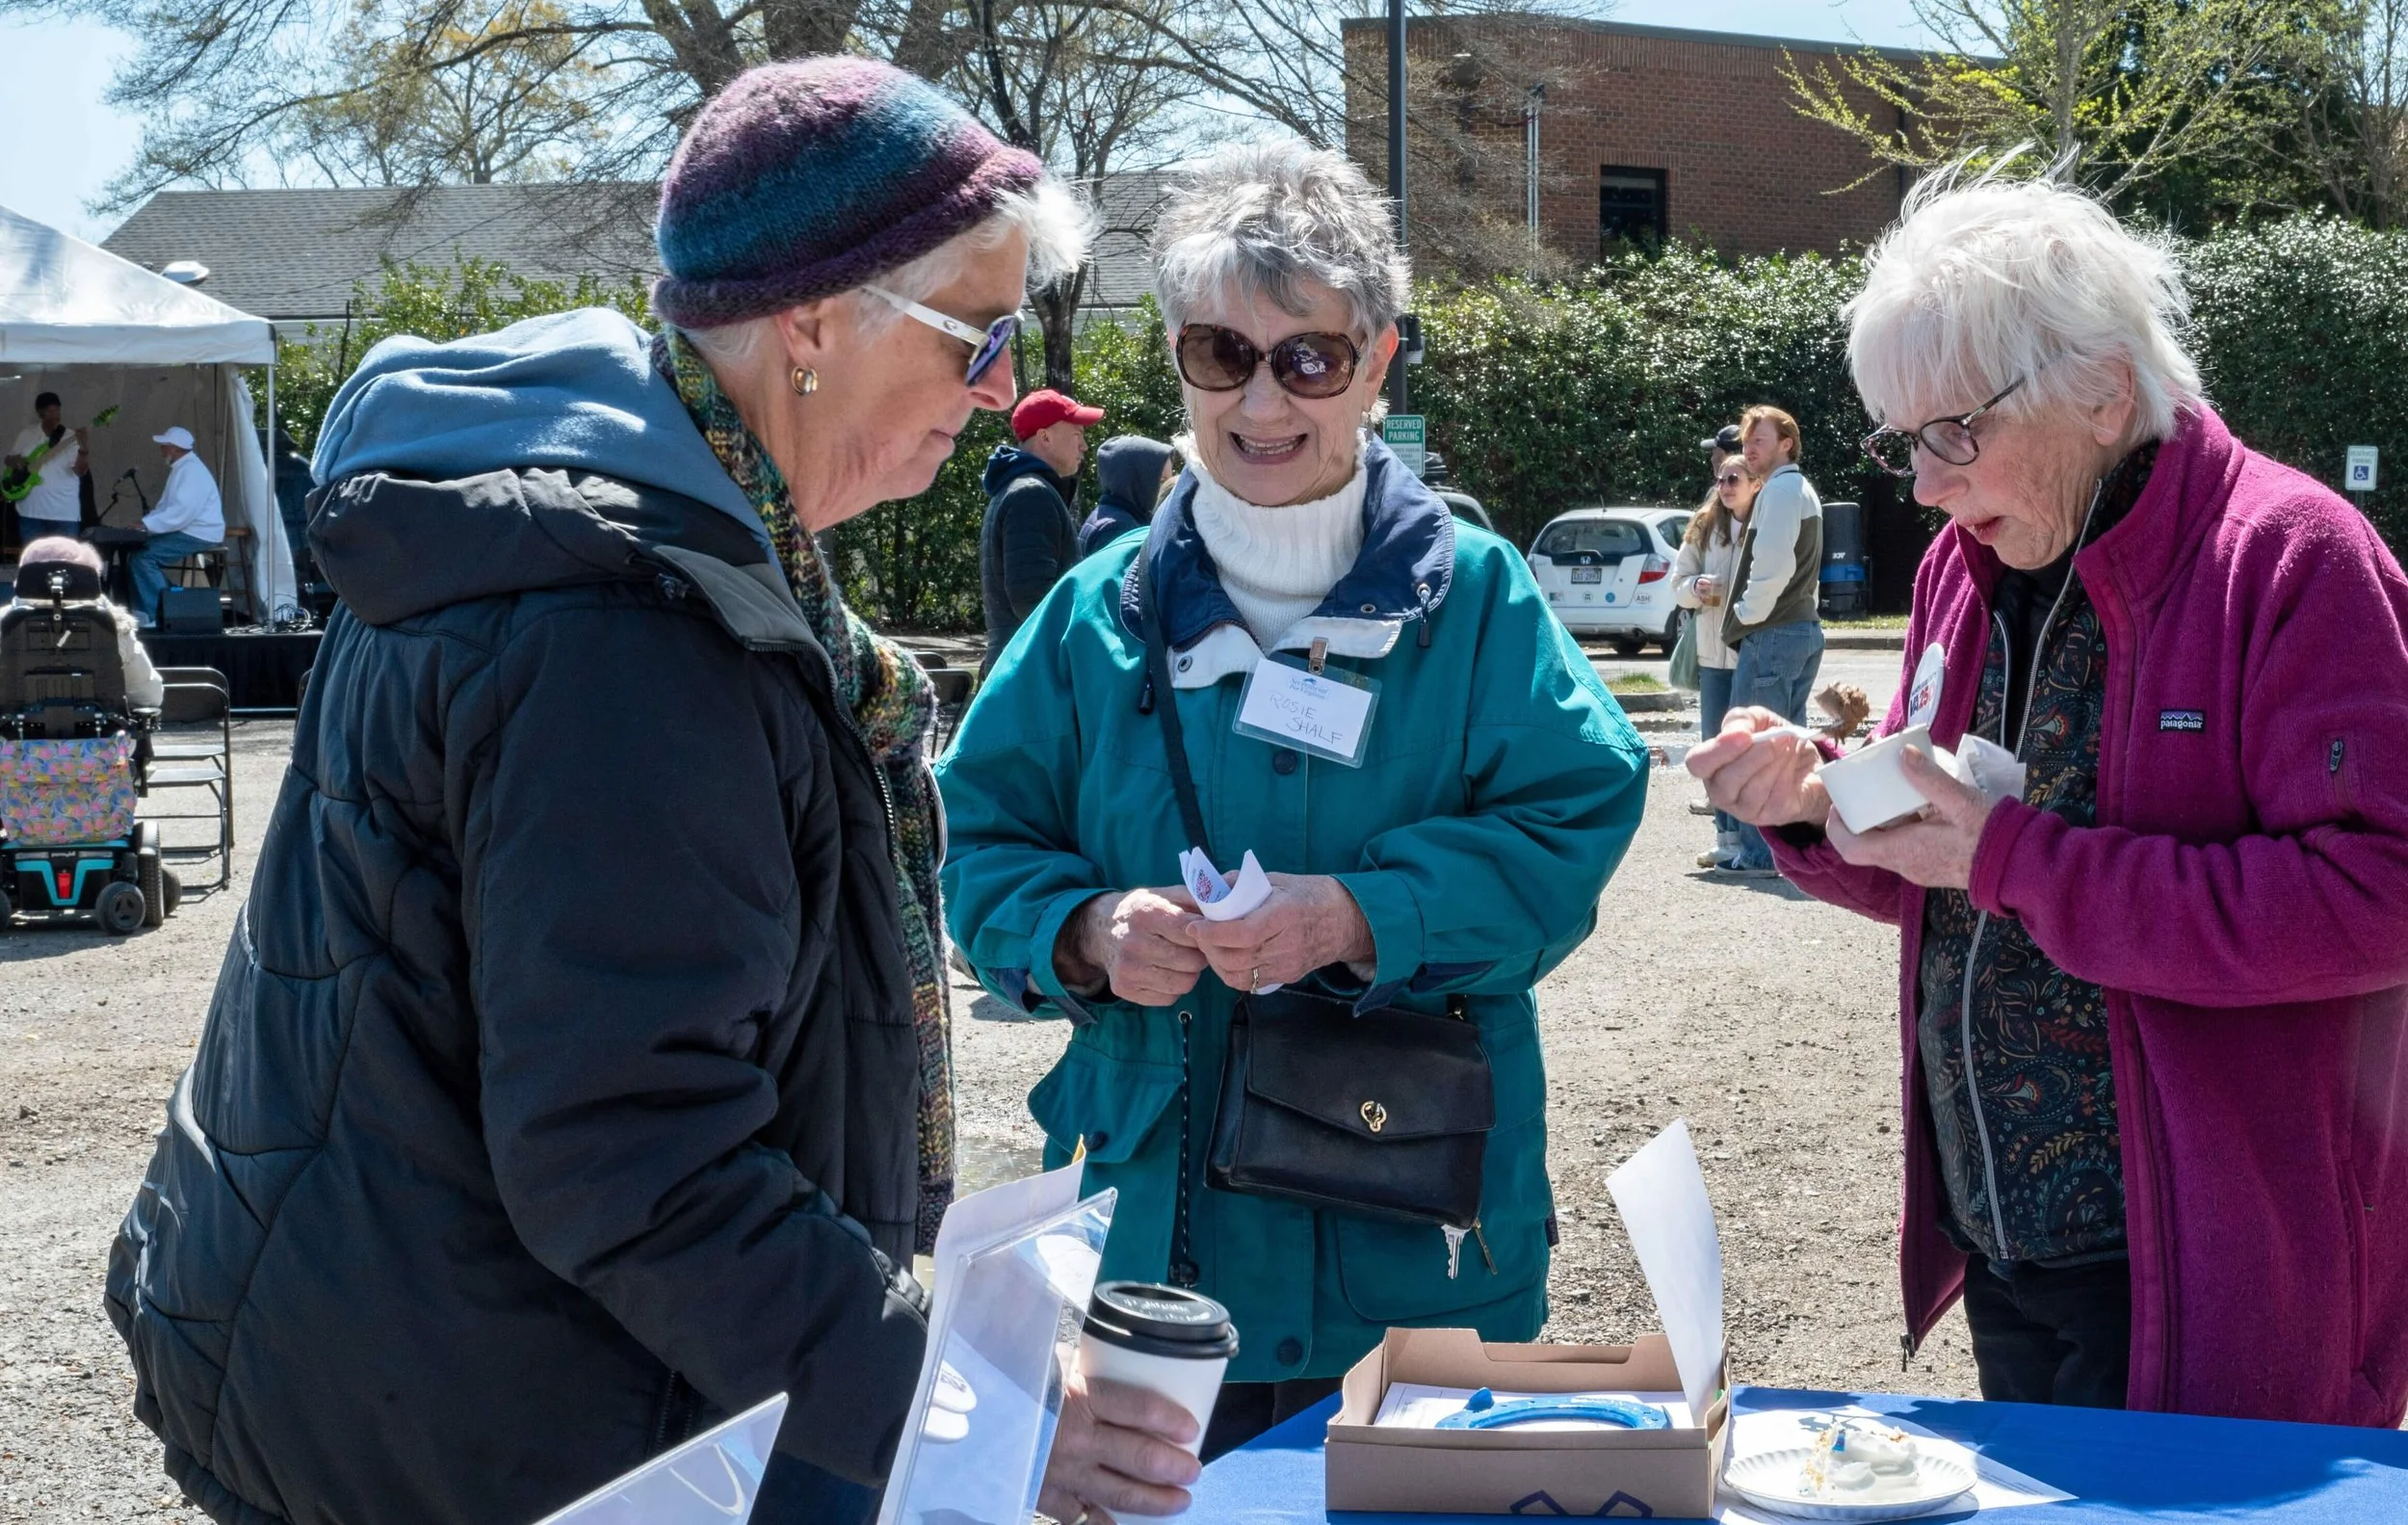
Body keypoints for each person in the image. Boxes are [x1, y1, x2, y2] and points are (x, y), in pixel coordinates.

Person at [106, 58, 1200, 1525]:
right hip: (479, 1421)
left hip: (375, 1336)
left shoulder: (561, 505)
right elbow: (632, 1154)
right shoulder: (628, 634)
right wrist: (968, 1395)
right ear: (811, 323)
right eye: (976, 337)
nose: (1003, 387)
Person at [938, 141, 1649, 1465]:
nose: (1263, 399)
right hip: (1155, 1253)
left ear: (1378, 362)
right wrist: (1086, 930)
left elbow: (1577, 817)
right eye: (1222, 353)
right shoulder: (1091, 620)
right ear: (1177, 358)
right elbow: (974, 845)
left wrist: (1361, 915)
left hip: (1420, 1256)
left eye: (1309, 357)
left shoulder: (1482, 603)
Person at [1688, 170, 2408, 1428]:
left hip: (2220, 1272)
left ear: (2102, 389)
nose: (1921, 483)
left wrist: (2017, 857)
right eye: (1902, 439)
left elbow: (2380, 893)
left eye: (1951, 433)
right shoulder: (1966, 571)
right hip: (2009, 1245)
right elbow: (1948, 856)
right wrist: (1814, 803)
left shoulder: (2296, 559)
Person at [1714, 404, 1822, 875]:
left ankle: (1761, 853)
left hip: (1773, 631)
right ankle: (1788, 852)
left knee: (1758, 748)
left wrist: (1744, 614)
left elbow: (1771, 567)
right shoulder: (1797, 488)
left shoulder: (1780, 490)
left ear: (1786, 444)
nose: (1748, 449)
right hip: (1798, 630)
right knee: (1787, 750)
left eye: (1759, 440)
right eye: (1745, 442)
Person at [1671, 454, 1757, 867]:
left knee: (1749, 749)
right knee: (1716, 749)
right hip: (1711, 655)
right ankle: (1725, 838)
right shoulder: (1705, 525)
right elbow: (1678, 583)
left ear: (1754, 483)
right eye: (1721, 479)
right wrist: (1696, 586)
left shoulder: (1765, 523)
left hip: (1752, 651)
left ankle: (1753, 841)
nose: (1724, 486)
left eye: (1733, 478)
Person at [979, 385, 1101, 673]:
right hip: (1030, 673)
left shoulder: (1021, 489)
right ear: (1045, 437)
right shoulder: (1030, 494)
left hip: (1022, 666)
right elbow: (1031, 600)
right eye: (1077, 434)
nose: (1084, 445)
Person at [10, 537, 164, 709]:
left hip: (13, 729)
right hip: (100, 729)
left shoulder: (5, 624)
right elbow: (149, 698)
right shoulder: (115, 627)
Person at [130, 426, 224, 628]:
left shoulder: (191, 471)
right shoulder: (183, 468)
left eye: (164, 445)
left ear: (174, 448)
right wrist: (145, 524)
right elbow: (166, 508)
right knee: (136, 553)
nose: (161, 450)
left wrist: (146, 525)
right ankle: (168, 603)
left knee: (143, 558)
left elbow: (181, 513)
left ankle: (160, 614)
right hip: (190, 529)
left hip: (198, 532)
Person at [1078, 433, 1180, 559]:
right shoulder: (1117, 528)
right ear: (1134, 480)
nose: (1168, 488)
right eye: (1161, 481)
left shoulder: (1113, 514)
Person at [7, 391, 91, 544]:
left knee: (64, 563)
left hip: (64, 514)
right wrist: (17, 461)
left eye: (57, 410)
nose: (55, 415)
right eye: (50, 411)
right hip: (30, 512)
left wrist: (84, 449)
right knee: (34, 563)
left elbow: (80, 471)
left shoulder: (71, 436)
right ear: (40, 412)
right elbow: (8, 460)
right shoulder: (27, 434)